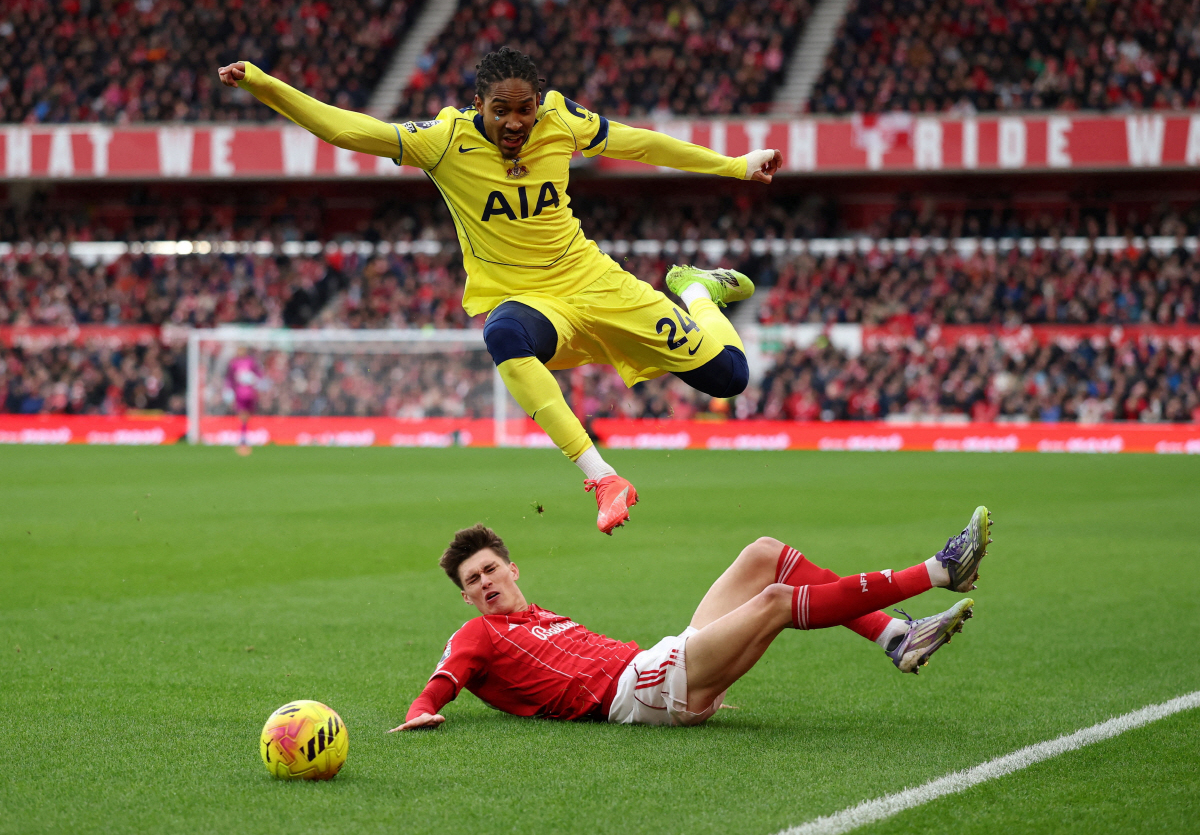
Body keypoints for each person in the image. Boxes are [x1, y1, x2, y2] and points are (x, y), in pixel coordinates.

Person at [218, 47, 783, 534]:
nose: (516, 123)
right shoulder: (444, 141)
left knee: (728, 379)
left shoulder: (561, 120)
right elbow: (346, 129)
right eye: (502, 111)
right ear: (479, 106)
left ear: (539, 104)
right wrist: (264, 84)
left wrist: (733, 166)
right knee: (504, 332)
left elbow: (639, 145)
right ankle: (603, 478)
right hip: (530, 300)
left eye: (525, 110)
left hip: (594, 279)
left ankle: (697, 292)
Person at [390, 507, 993, 731]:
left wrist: (702, 680)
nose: (486, 583)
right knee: (776, 602)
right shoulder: (480, 633)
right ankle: (940, 571)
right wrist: (421, 713)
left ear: (512, 569)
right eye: (473, 582)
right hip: (642, 690)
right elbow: (446, 680)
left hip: (656, 664)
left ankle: (896, 635)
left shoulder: (542, 618)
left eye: (490, 570)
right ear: (466, 599)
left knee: (763, 553)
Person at [224, 347, 263, 456]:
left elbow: (259, 375)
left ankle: (245, 438)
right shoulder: (234, 363)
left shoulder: (251, 362)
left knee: (247, 416)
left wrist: (255, 380)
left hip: (250, 393)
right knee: (243, 416)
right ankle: (243, 440)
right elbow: (230, 378)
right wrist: (229, 391)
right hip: (240, 394)